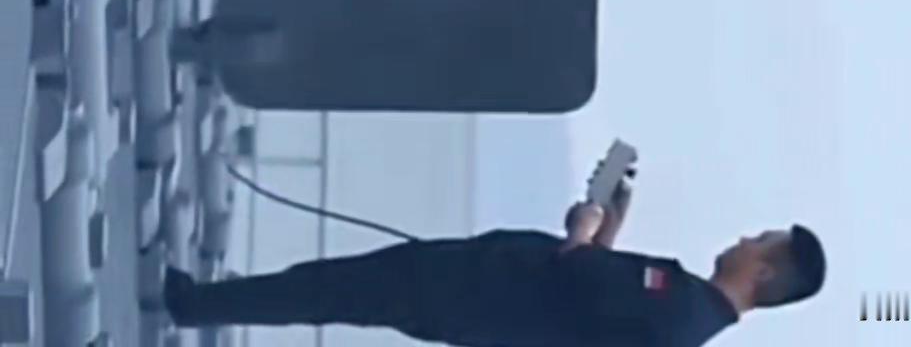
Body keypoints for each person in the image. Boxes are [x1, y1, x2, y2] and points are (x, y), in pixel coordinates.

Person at [161, 173, 826, 335]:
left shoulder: (681, 307)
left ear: (765, 271)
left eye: (760, 242)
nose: (746, 239)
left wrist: (586, 227)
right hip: (483, 300)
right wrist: (609, 232)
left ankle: (195, 304)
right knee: (336, 291)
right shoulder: (685, 315)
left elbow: (581, 278)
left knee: (333, 290)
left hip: (479, 296)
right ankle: (204, 303)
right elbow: (594, 309)